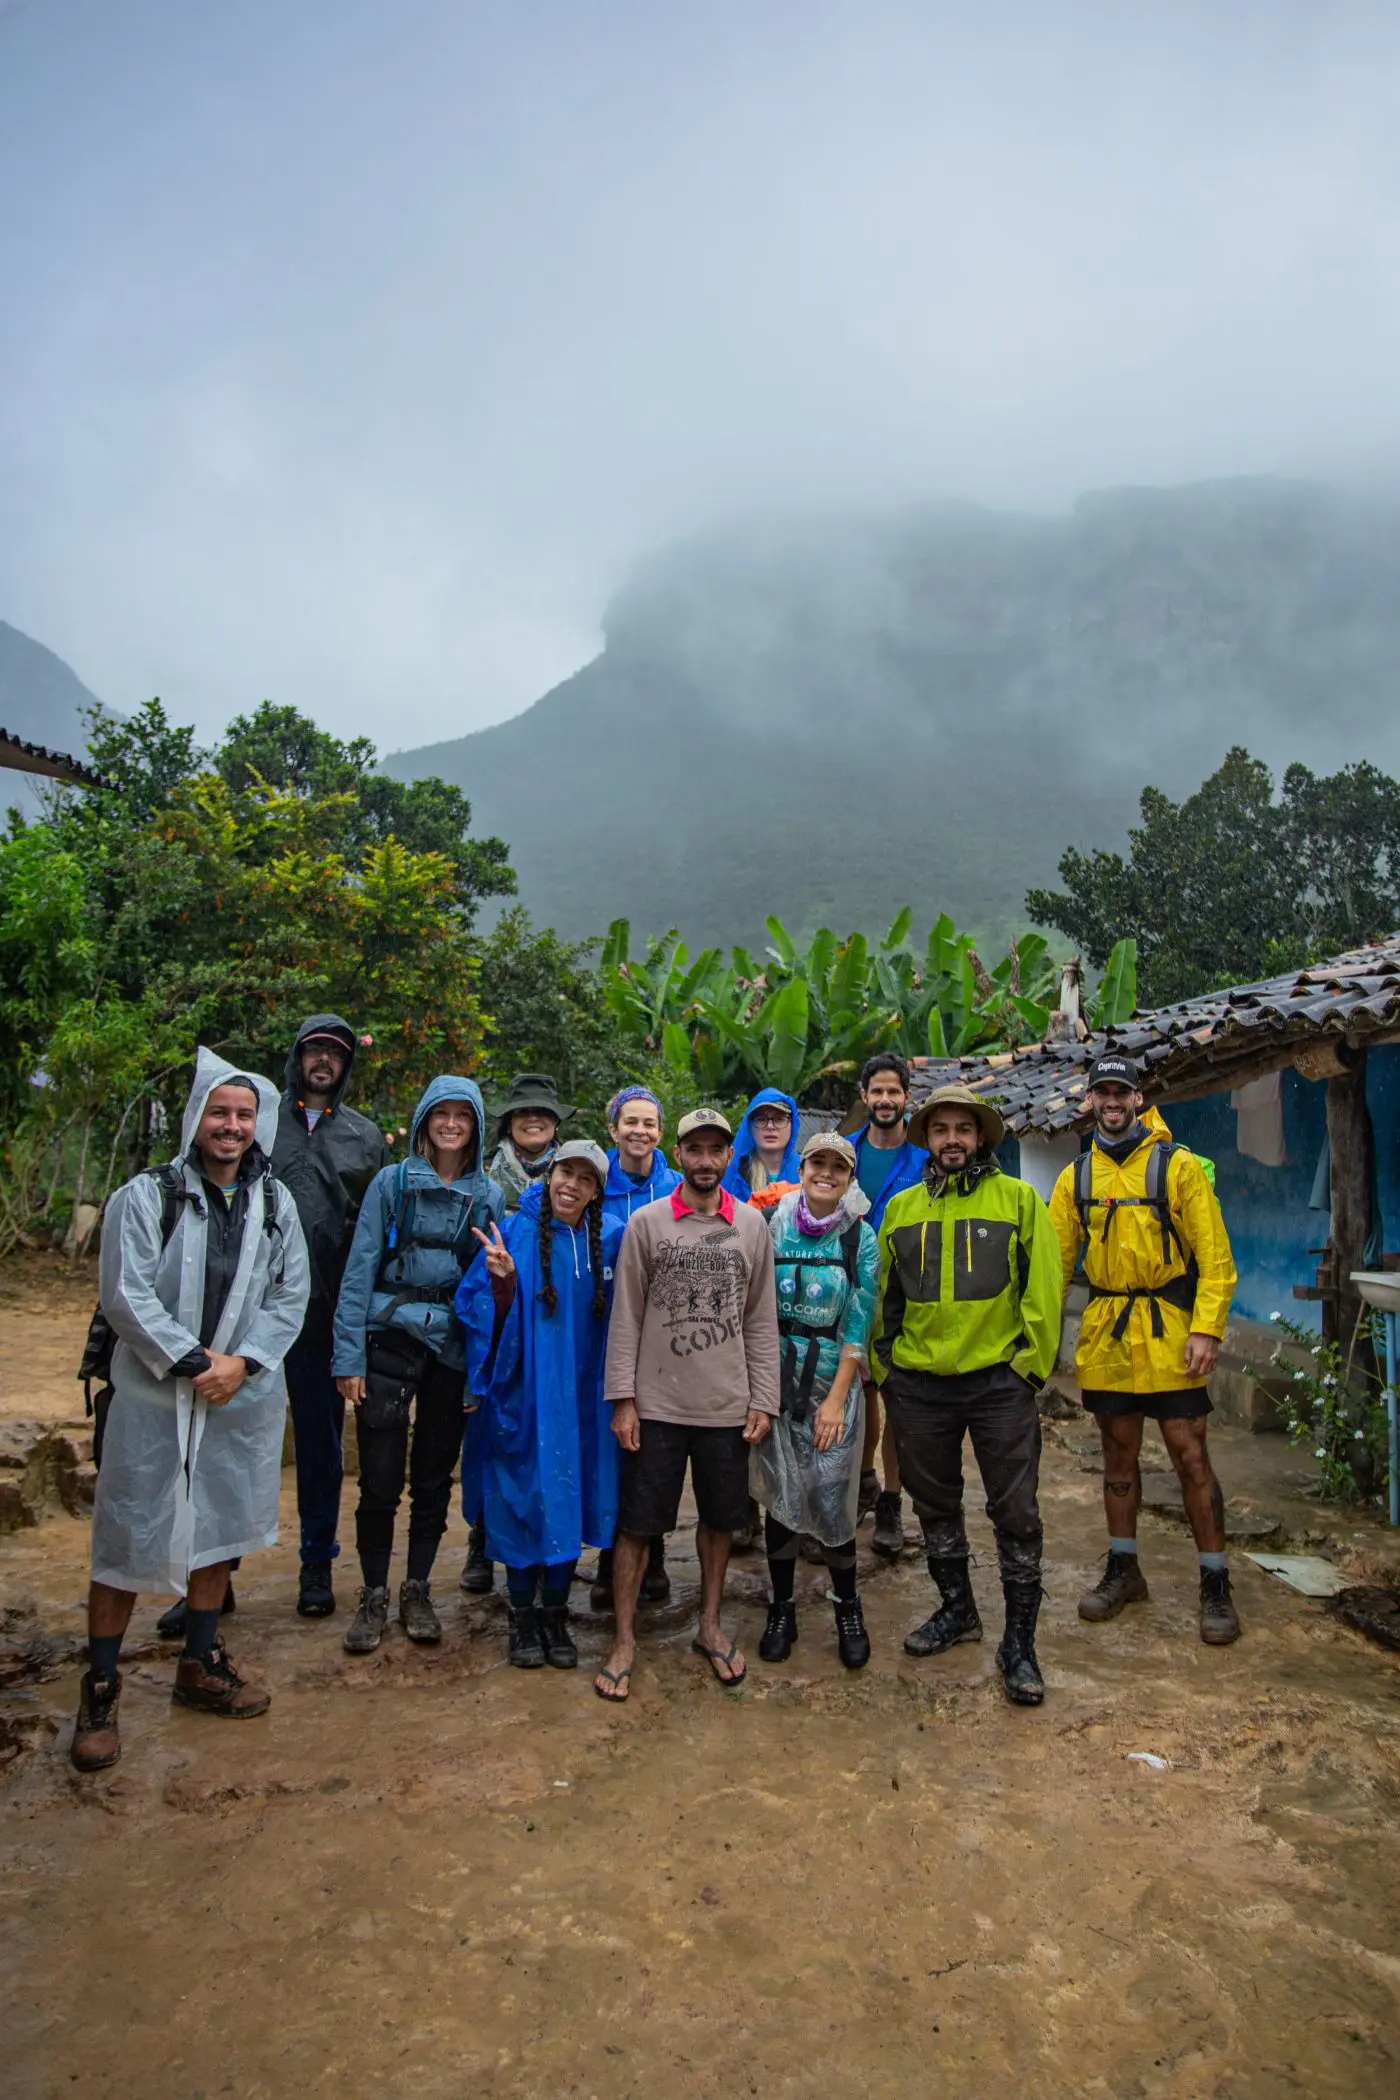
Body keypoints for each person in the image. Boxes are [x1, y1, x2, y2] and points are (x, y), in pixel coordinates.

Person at [71, 1050, 310, 1772]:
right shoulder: (145, 1196)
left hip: (241, 1396)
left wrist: (243, 1363)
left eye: (243, 1115)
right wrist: (195, 1359)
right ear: (195, 1119)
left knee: (220, 1522)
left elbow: (291, 1294)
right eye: (219, 1112)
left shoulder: (276, 1202)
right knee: (127, 1528)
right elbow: (126, 1295)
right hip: (154, 1394)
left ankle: (199, 1663)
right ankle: (102, 1686)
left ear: (258, 1123)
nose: (231, 1126)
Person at [872, 1084, 1062, 1706]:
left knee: (1016, 1511)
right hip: (919, 1386)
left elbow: (1045, 1290)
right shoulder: (900, 1209)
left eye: (963, 1129)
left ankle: (1020, 1645)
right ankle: (958, 1611)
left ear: (980, 1137)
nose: (951, 1140)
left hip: (998, 1383)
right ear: (926, 1139)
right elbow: (883, 1298)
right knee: (935, 1505)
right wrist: (887, 1371)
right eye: (940, 1130)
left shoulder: (1018, 1200)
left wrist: (1028, 1371)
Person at [1048, 1054, 1240, 1645]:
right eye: (1101, 1091)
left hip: (1170, 1330)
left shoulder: (1177, 1168)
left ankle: (1215, 1583)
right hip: (1106, 1329)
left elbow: (1216, 1258)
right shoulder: (1074, 1178)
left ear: (1137, 1098)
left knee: (1189, 1454)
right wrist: (1035, 1343)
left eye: (1120, 1091)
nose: (1111, 1101)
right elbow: (1053, 1269)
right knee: (1117, 1456)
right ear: (1090, 1101)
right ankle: (1124, 1569)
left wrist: (1207, 1329)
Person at [596, 1108, 780, 1701]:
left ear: (729, 1157)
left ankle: (708, 1624)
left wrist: (764, 1397)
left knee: (721, 1520)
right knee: (637, 1526)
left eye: (715, 1151)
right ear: (678, 1154)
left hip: (726, 1405)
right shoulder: (647, 1225)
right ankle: (624, 1639)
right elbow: (625, 1317)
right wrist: (623, 1400)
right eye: (694, 1150)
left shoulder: (752, 1226)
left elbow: (760, 1319)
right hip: (657, 1405)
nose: (705, 1160)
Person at [333, 1076, 506, 1653]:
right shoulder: (392, 1184)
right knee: (379, 1478)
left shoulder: (488, 1196)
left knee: (433, 1478)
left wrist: (480, 1372)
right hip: (389, 1338)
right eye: (442, 1113)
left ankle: (417, 1590)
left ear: (477, 1124)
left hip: (452, 1349)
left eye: (463, 1114)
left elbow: (485, 1291)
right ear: (424, 1119)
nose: (452, 1124)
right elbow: (359, 1268)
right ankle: (373, 1594)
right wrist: (347, 1356)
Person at [458, 1140, 624, 1667]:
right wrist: (502, 1285)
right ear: (550, 1175)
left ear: (598, 1190)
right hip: (525, 1396)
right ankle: (521, 1615)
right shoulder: (517, 1235)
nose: (571, 1185)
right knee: (524, 1498)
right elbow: (477, 1308)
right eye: (564, 1173)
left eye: (585, 1179)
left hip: (583, 1403)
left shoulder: (610, 1242)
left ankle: (556, 1614)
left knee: (572, 1496)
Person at [269, 1014, 390, 1618]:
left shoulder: (365, 1138)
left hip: (325, 1317)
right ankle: (212, 1571)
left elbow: (375, 1236)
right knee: (237, 1442)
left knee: (319, 1445)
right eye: (314, 1049)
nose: (324, 1061)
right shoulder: (260, 1123)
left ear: (346, 1067)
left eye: (335, 1054)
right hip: (252, 1317)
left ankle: (316, 1562)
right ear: (297, 1055)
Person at [752, 1132, 879, 1670]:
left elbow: (859, 1320)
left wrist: (836, 1399)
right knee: (780, 1500)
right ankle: (782, 1608)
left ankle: (847, 1606)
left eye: (838, 1166)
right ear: (801, 1168)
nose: (826, 1173)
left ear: (850, 1177)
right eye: (817, 1163)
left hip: (833, 1389)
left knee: (832, 1500)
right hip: (774, 1388)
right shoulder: (769, 1224)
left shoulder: (860, 1237)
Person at [461, 1071, 573, 1596]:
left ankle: (548, 1548)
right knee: (493, 1439)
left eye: (545, 1114)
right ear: (510, 1121)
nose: (536, 1120)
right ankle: (485, 1541)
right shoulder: (486, 1183)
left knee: (545, 1443)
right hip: (494, 1316)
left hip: (550, 1325)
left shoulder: (574, 1179)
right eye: (526, 1112)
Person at [591, 1085, 683, 1609]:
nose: (640, 1132)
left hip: (668, 1343)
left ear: (660, 1131)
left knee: (656, 1450)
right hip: (606, 1333)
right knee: (614, 1451)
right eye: (630, 1122)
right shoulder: (594, 1182)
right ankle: (609, 1557)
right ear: (613, 1129)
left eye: (649, 1123)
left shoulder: (675, 1187)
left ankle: (656, 1553)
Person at [845, 1054, 927, 1559]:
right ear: (864, 1096)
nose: (884, 1100)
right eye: (876, 1091)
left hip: (907, 1291)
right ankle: (864, 1482)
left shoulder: (923, 1160)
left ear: (907, 1098)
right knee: (858, 1393)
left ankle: (894, 1502)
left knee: (898, 1396)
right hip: (851, 1288)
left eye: (893, 1092)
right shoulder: (844, 1155)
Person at [486, 1071, 574, 1212]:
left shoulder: (575, 1170)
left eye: (542, 1111)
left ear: (556, 1122)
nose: (533, 1118)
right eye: (522, 1112)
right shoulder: (483, 1173)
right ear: (509, 1125)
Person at [721, 1088, 801, 1203]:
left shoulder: (808, 1170)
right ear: (750, 1127)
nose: (770, 1126)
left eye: (779, 1119)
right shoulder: (733, 1172)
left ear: (792, 1125)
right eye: (761, 1119)